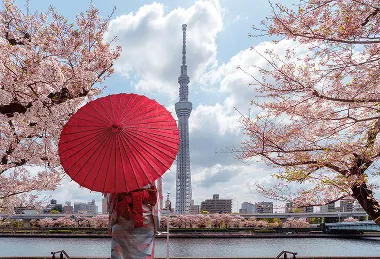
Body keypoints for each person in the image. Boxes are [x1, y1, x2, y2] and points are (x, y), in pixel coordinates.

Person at [108, 178, 163, 259]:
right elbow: (157, 198)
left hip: (121, 219)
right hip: (145, 221)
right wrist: (156, 224)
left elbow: (111, 202)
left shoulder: (114, 170)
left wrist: (111, 224)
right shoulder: (152, 171)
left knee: (119, 254)